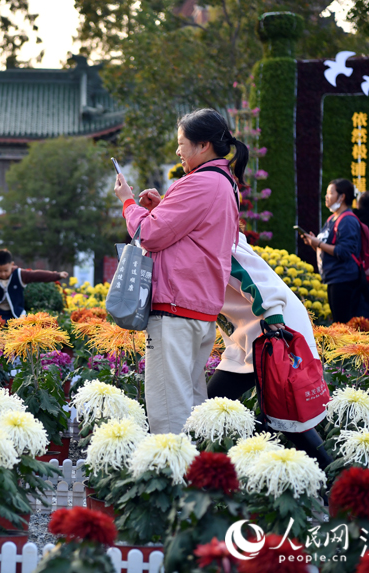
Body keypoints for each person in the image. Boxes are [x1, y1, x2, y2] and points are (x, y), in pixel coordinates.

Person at [114, 108, 245, 434]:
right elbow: (194, 233)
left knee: (169, 413)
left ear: (202, 145)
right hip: (198, 310)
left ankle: (174, 479)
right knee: (191, 406)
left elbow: (150, 234)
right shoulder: (224, 183)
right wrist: (163, 208)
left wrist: (128, 203)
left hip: (175, 309)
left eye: (181, 143)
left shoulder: (200, 182)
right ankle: (197, 475)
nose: (178, 151)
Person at [209, 228, 332, 470]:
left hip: (274, 331)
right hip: (250, 338)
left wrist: (272, 311)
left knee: (289, 416)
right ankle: (280, 463)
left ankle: (330, 477)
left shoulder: (214, 236)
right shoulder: (206, 234)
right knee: (216, 406)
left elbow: (253, 273)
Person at [302, 179, 363, 324]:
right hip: (333, 277)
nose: (326, 197)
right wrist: (314, 244)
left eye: (330, 193)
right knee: (338, 321)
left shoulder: (347, 220)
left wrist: (319, 243)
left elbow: (344, 251)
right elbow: (326, 249)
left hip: (344, 278)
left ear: (342, 197)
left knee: (342, 323)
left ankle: (346, 347)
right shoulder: (332, 219)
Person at [0, 249, 69, 321]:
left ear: (12, 265)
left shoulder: (20, 274)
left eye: (6, 270)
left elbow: (37, 275)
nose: (3, 274)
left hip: (16, 314)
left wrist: (57, 275)